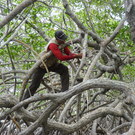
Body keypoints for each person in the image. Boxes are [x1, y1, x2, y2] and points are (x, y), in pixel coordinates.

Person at [22, 30, 82, 107]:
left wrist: (77, 55)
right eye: (62, 39)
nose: (64, 40)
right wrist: (76, 56)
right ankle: (23, 104)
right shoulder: (52, 45)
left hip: (52, 64)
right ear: (57, 39)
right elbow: (61, 57)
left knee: (64, 70)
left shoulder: (62, 43)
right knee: (34, 86)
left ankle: (64, 92)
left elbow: (68, 53)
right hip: (42, 66)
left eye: (64, 39)